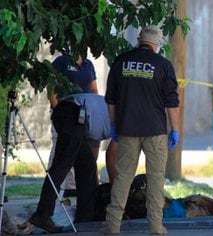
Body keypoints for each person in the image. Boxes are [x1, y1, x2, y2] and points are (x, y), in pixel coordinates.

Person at [103, 25, 180, 235]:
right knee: (155, 178)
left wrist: (114, 126)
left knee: (123, 177)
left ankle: (112, 226)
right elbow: (171, 102)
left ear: (139, 41)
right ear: (156, 45)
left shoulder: (121, 62)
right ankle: (155, 226)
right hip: (155, 131)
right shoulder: (163, 65)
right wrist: (175, 129)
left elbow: (111, 100)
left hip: (127, 128)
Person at [29, 93, 110, 233]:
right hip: (73, 113)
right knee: (62, 165)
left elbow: (95, 147)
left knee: (88, 166)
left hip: (73, 114)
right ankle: (42, 215)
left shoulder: (117, 114)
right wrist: (118, 188)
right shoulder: (125, 123)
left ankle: (85, 219)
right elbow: (113, 158)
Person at [48, 53, 100, 197]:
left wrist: (96, 107)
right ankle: (54, 190)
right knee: (60, 148)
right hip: (65, 111)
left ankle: (73, 188)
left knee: (83, 149)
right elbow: (51, 86)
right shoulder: (62, 61)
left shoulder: (88, 63)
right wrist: (56, 108)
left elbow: (94, 88)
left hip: (85, 112)